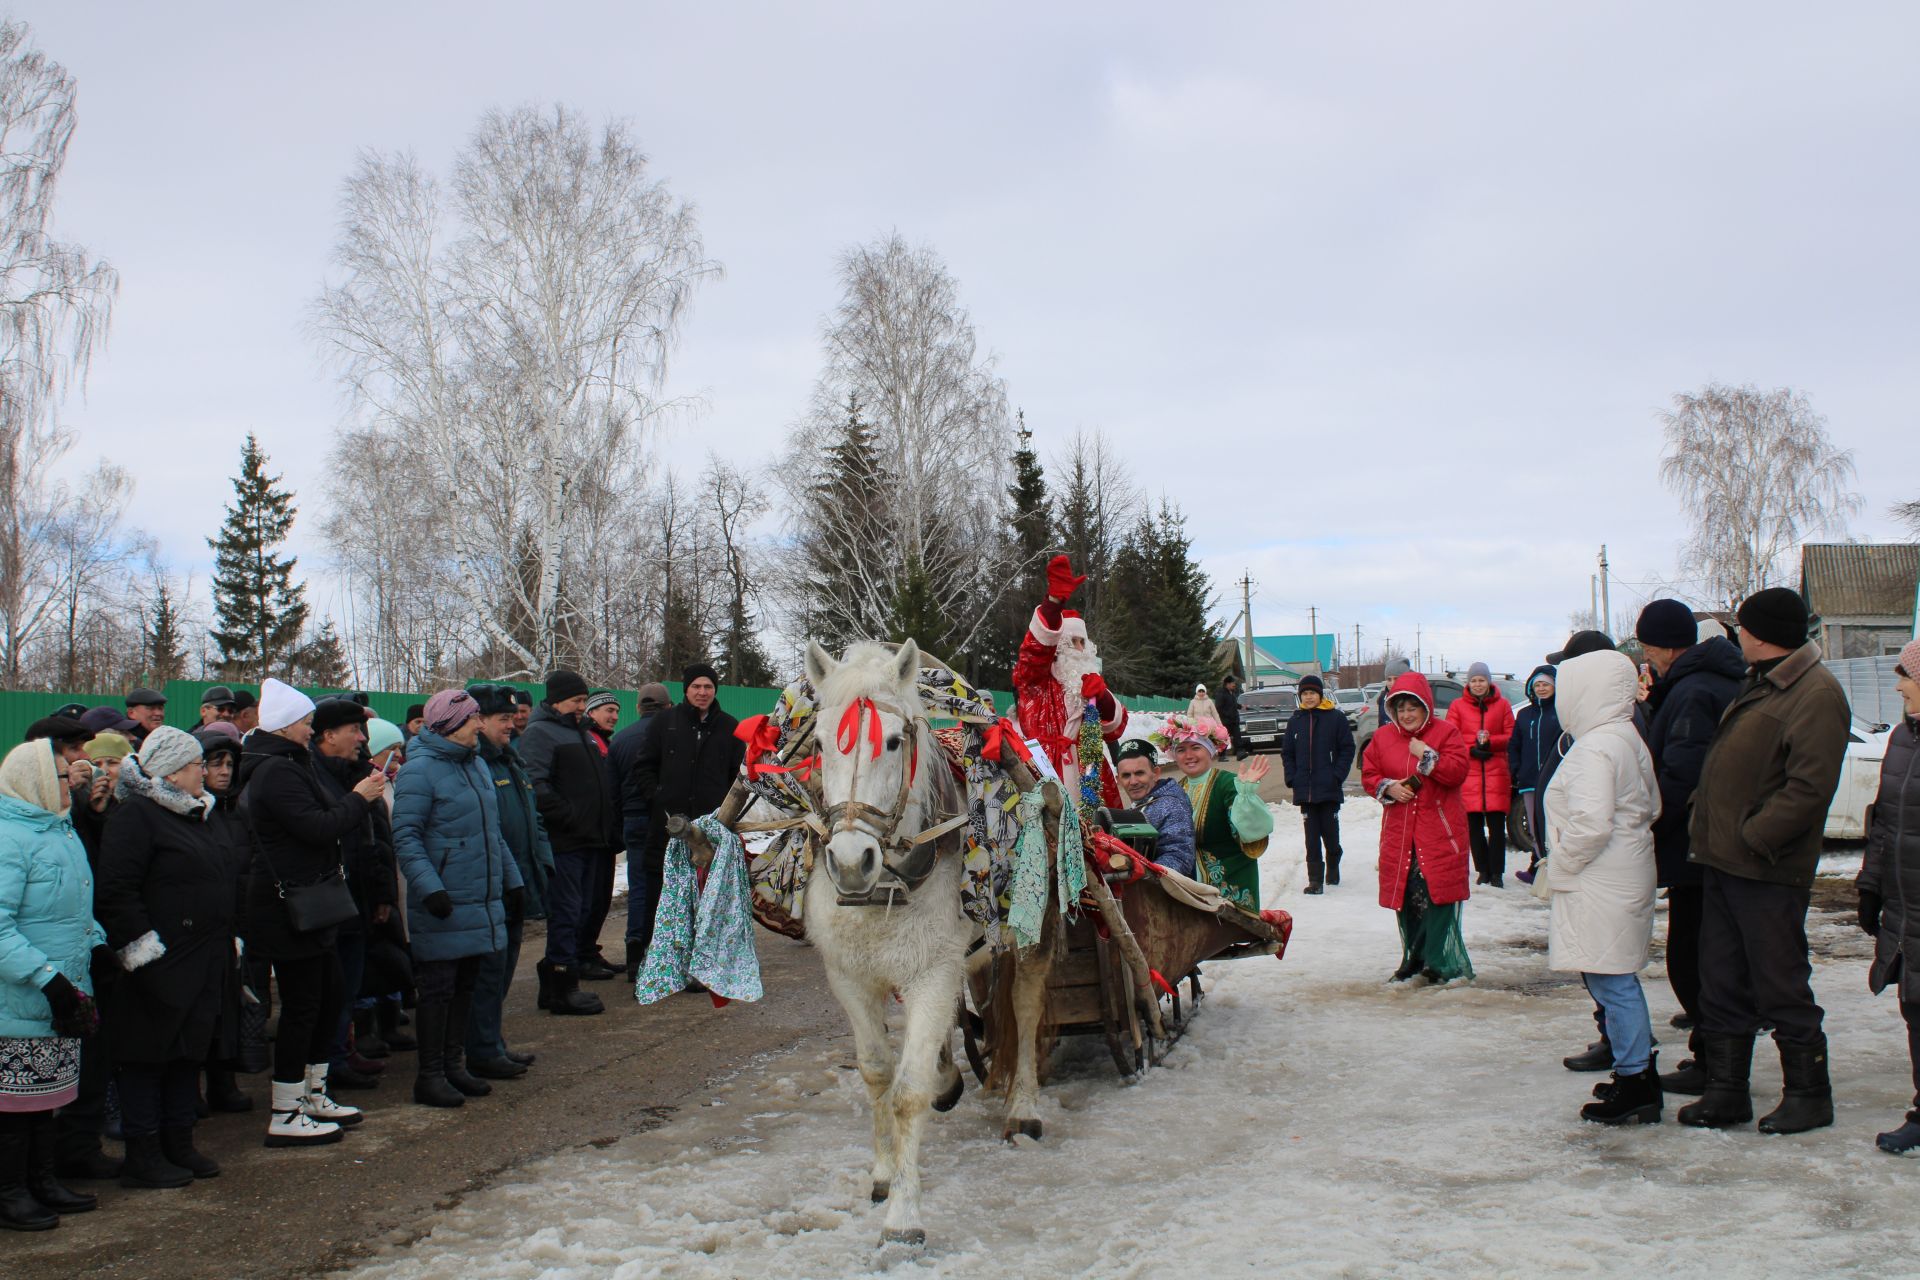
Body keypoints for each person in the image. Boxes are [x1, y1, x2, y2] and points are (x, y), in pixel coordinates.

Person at [1678, 588, 1849, 1134]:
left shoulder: (1815, 692)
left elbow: (1809, 786)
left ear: (1760, 632)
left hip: (1767, 866)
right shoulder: (1761, 681)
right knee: (1721, 981)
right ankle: (1727, 1091)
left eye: (1743, 627)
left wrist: (1755, 836)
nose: (1738, 636)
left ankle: (1809, 1094)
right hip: (1724, 861)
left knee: (1780, 983)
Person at [238, 678, 385, 1147]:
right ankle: (285, 1111)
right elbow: (318, 828)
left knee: (327, 995)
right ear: (284, 726)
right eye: (304, 722)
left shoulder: (289, 763)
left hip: (311, 902)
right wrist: (360, 798)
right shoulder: (275, 772)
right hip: (287, 907)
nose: (309, 729)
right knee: (303, 1006)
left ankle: (314, 1093)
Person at [97, 728, 239, 1185]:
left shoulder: (196, 815)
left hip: (202, 957)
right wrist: (142, 953)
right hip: (158, 961)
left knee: (187, 1054)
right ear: (175, 772)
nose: (207, 771)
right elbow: (117, 892)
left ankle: (179, 1142)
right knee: (146, 1056)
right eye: (199, 764)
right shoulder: (137, 815)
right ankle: (143, 1154)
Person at [1540, 651, 1663, 1124]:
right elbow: (1651, 806)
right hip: (1622, 872)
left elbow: (1591, 825)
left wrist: (1560, 866)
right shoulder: (1623, 735)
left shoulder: (1595, 747)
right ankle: (1636, 1076)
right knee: (1613, 977)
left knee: (1612, 980)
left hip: (1600, 879)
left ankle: (1635, 1081)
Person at [1632, 598, 1745, 1097]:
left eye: (1648, 647)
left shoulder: (1695, 691)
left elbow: (1681, 774)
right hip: (1708, 845)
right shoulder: (1702, 682)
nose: (1647, 657)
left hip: (1697, 847)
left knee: (1694, 958)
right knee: (1705, 956)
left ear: (1663, 645)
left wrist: (1648, 823)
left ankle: (1714, 1064)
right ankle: (1714, 1057)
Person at [391, 689, 524, 1108]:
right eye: (472, 720)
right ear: (451, 726)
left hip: (479, 897)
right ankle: (429, 1075)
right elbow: (406, 836)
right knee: (438, 990)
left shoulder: (477, 766)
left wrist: (513, 882)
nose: (480, 726)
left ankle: (455, 1065)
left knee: (467, 984)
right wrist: (430, 889)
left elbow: (491, 833)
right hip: (444, 899)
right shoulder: (420, 770)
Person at [0, 738, 106, 1231]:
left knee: (46, 1100)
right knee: (14, 1106)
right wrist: (46, 978)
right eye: (65, 777)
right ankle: (9, 1192)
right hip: (22, 995)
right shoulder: (8, 838)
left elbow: (76, 908)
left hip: (63, 990)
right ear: (38, 781)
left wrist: (99, 945)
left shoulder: (59, 832)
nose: (75, 783)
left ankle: (42, 1182)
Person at [1360, 671, 1473, 984]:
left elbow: (1457, 773)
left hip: (1438, 831)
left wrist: (1426, 754)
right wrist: (1389, 787)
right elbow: (1369, 774)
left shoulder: (1446, 733)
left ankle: (1439, 963)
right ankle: (1414, 957)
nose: (1407, 714)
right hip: (1400, 833)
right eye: (1401, 708)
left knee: (1437, 896)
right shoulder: (1382, 738)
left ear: (1426, 706)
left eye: (1413, 707)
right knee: (1408, 897)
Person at [633, 664, 744, 981]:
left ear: (715, 690)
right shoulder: (664, 724)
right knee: (662, 897)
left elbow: (739, 778)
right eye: (696, 686)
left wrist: (727, 814)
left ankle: (700, 967)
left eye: (708, 686)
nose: (702, 692)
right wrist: (657, 797)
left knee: (705, 897)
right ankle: (654, 963)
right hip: (669, 829)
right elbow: (644, 766)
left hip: (710, 833)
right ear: (685, 690)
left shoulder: (728, 727)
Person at [307, 700, 395, 1094]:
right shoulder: (311, 777)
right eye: (354, 731)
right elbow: (327, 832)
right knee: (328, 988)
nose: (362, 738)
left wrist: (381, 893)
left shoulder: (359, 771)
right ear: (328, 735)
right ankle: (327, 1061)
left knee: (351, 984)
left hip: (359, 894)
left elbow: (375, 838)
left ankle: (344, 1050)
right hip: (327, 900)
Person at [517, 670, 617, 1015]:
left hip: (591, 839)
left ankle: (555, 980)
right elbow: (536, 786)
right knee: (566, 912)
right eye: (576, 701)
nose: (581, 707)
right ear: (556, 699)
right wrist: (571, 816)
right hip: (566, 841)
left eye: (583, 701)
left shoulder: (582, 734)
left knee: (584, 908)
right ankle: (563, 983)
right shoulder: (540, 734)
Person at [467, 684, 550, 1077]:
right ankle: (480, 1048)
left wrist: (542, 863)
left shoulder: (509, 760)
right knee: (486, 971)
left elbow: (531, 819)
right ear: (477, 720)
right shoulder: (475, 763)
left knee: (503, 967)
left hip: (518, 878)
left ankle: (491, 1041)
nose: (513, 723)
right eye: (503, 718)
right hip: (490, 882)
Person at [1858, 637, 1920, 1155]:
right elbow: (1883, 823)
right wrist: (1870, 887)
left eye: (1907, 675)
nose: (1898, 684)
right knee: (1915, 1008)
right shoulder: (1903, 737)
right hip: (1904, 907)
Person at [1013, 555, 1129, 816]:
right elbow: (1033, 653)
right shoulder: (1035, 682)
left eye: (1082, 642)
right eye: (1071, 641)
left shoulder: (1089, 681)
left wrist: (1103, 698)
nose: (1079, 649)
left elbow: (1115, 729)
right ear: (1057, 645)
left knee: (1101, 838)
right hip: (1045, 772)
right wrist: (1053, 605)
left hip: (1090, 772)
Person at [189, 726, 252, 1115]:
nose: (225, 771)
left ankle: (223, 1080)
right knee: (200, 1011)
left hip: (236, 919)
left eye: (230, 763)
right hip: (201, 926)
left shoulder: (237, 809)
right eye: (216, 764)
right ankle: (191, 1089)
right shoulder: (195, 812)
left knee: (230, 1007)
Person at [1155, 714, 1271, 910]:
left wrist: (1246, 796)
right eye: (1181, 750)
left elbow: (1251, 832)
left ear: (1211, 751)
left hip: (1226, 881)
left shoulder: (1227, 784)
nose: (1188, 755)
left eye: (1196, 747)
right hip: (1186, 883)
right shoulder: (1176, 790)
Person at [611, 682, 672, 979]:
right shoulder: (669, 737)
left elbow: (611, 788)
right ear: (668, 707)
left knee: (639, 887)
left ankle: (635, 952)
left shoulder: (620, 740)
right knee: (669, 887)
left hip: (632, 820)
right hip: (664, 822)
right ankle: (664, 952)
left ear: (638, 708)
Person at [1279, 673, 1356, 894]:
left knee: (1330, 835)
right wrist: (1292, 777)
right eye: (1305, 693)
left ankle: (1333, 862)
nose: (1309, 697)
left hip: (1328, 787)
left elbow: (1347, 749)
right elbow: (1287, 753)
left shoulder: (1336, 718)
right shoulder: (1296, 721)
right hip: (1305, 789)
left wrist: (1337, 775)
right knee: (1311, 838)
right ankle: (1315, 880)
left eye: (1312, 692)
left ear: (1320, 694)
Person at [1449, 663, 1515, 888]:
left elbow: (1511, 734)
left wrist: (1491, 744)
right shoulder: (1458, 706)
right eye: (1474, 680)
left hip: (1496, 772)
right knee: (1473, 827)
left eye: (1481, 680)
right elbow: (1452, 736)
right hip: (1469, 773)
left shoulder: (1503, 705)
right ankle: (1482, 870)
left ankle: (1496, 872)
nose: (1478, 685)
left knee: (1497, 828)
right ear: (1468, 683)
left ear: (1489, 682)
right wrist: (1471, 748)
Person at [1112, 740, 1196, 878]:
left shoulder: (1171, 805)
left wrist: (1143, 874)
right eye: (1126, 775)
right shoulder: (1140, 805)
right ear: (1118, 780)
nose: (1133, 782)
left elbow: (1180, 858)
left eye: (1139, 773)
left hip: (1164, 896)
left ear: (1156, 773)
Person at [1508, 665, 1559, 883]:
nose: (1541, 688)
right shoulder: (1524, 714)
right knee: (1536, 826)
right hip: (1529, 780)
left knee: (1555, 826)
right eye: (1537, 685)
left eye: (1545, 684)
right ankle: (1539, 870)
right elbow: (1514, 745)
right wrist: (1516, 769)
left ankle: (1556, 870)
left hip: (1556, 780)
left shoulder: (1561, 711)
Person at [1217, 674, 1249, 760]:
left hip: (1234, 720)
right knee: (1224, 739)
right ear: (1227, 684)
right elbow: (1219, 707)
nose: (1234, 685)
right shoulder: (1221, 693)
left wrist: (1241, 706)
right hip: (1225, 721)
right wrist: (1227, 715)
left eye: (1234, 683)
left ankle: (1240, 753)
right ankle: (1221, 756)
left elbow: (1233, 704)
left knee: (1237, 737)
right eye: (1232, 683)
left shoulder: (1232, 693)